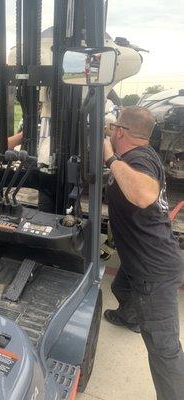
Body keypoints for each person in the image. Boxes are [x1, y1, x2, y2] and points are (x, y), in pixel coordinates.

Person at [103, 106, 184, 400]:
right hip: (143, 258)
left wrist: (110, 158)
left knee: (164, 349)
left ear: (121, 132)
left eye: (113, 128)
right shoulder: (143, 154)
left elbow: (145, 195)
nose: (110, 132)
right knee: (120, 285)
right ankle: (130, 318)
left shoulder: (135, 159)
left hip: (154, 269)